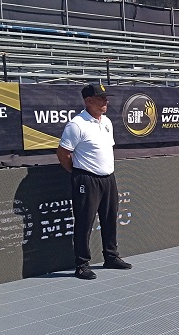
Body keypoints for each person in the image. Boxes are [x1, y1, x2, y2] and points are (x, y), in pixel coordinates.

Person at [56, 83, 132, 280]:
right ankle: (81, 265)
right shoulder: (76, 125)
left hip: (108, 179)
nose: (105, 101)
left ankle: (111, 257)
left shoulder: (106, 122)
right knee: (84, 223)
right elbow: (63, 153)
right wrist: (78, 172)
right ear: (88, 101)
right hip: (86, 180)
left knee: (110, 220)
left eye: (106, 98)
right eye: (100, 98)